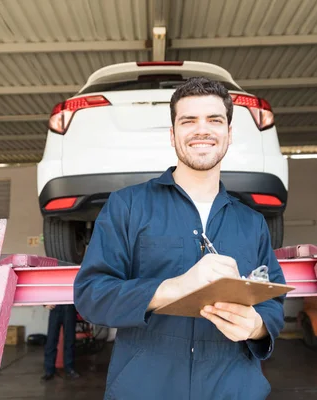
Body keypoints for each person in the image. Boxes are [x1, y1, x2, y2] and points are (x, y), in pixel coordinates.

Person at [73, 77, 286, 399]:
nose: (202, 130)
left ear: (229, 133)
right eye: (189, 121)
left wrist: (255, 326)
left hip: (235, 388)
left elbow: (273, 302)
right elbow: (92, 295)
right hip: (145, 388)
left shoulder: (252, 222)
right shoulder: (127, 206)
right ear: (173, 136)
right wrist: (174, 287)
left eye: (214, 120)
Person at [41, 304, 80, 381]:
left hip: (70, 307)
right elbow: (45, 291)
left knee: (70, 339)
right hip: (55, 307)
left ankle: (69, 368)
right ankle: (49, 370)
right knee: (51, 340)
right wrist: (44, 304)